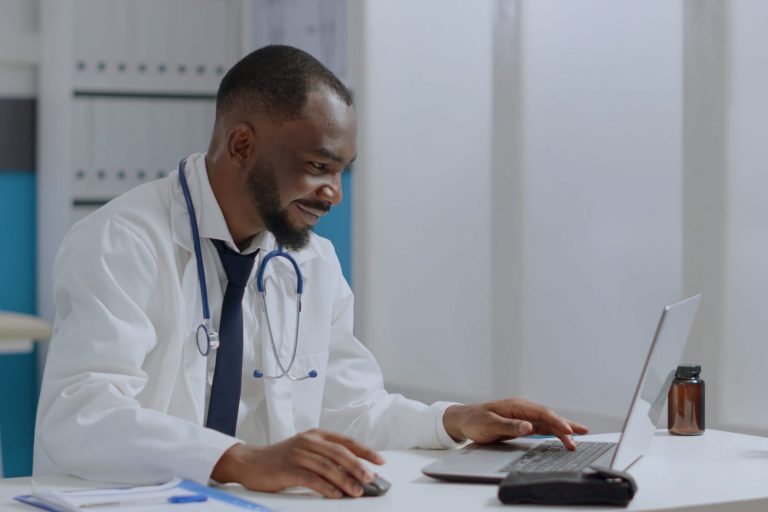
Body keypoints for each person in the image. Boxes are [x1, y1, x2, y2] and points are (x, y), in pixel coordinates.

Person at [34, 45, 587, 499]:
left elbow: (352, 407)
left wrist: (452, 421)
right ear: (242, 145)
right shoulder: (122, 240)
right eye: (319, 167)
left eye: (342, 172)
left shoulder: (309, 260)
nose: (334, 194)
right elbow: (81, 414)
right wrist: (239, 460)